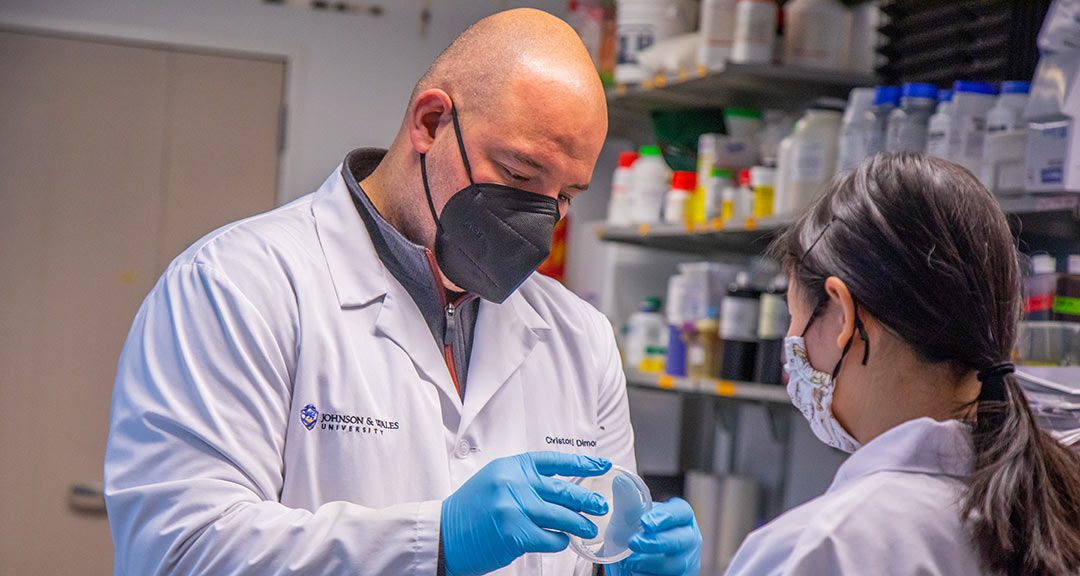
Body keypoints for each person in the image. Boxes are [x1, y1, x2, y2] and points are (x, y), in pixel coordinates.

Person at [104, 8, 701, 576]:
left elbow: (594, 542)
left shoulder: (581, 338)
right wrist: (436, 541)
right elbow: (178, 551)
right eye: (519, 175)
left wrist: (622, 563)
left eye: (565, 197)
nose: (540, 219)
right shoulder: (239, 285)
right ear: (431, 123)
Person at [725, 153, 1080, 576]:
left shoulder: (822, 549)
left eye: (795, 315)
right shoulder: (1054, 509)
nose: (791, 340)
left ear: (842, 315)